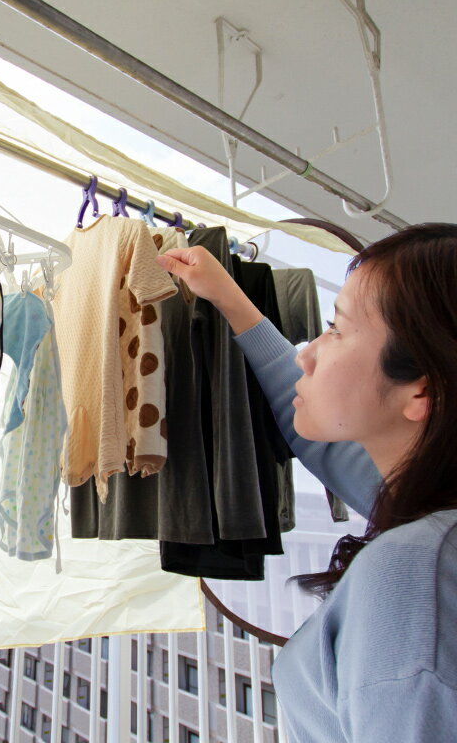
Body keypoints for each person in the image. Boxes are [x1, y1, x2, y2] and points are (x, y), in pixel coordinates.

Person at [156, 223, 457, 743]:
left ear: (420, 392)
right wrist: (227, 296)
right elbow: (311, 428)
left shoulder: (416, 570)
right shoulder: (431, 515)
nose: (308, 353)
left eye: (336, 329)